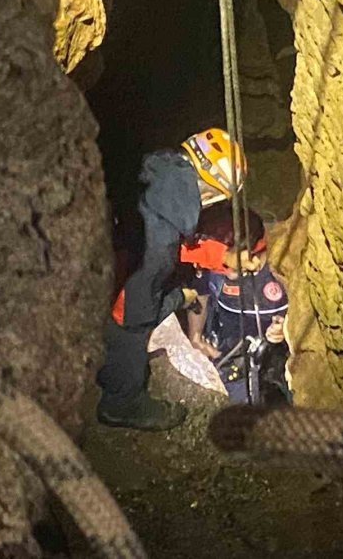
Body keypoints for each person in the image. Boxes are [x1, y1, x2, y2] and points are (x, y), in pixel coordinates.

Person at [96, 128, 245, 431]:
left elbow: (168, 236)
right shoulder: (159, 249)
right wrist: (181, 297)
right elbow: (136, 311)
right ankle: (120, 404)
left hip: (106, 244)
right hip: (114, 287)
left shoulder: (154, 170)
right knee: (128, 339)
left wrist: (217, 257)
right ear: (211, 194)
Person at [183, 203, 291, 405]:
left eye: (228, 266)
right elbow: (201, 294)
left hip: (276, 353)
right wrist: (195, 334)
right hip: (229, 345)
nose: (226, 273)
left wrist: (287, 328)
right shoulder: (212, 268)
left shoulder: (285, 269)